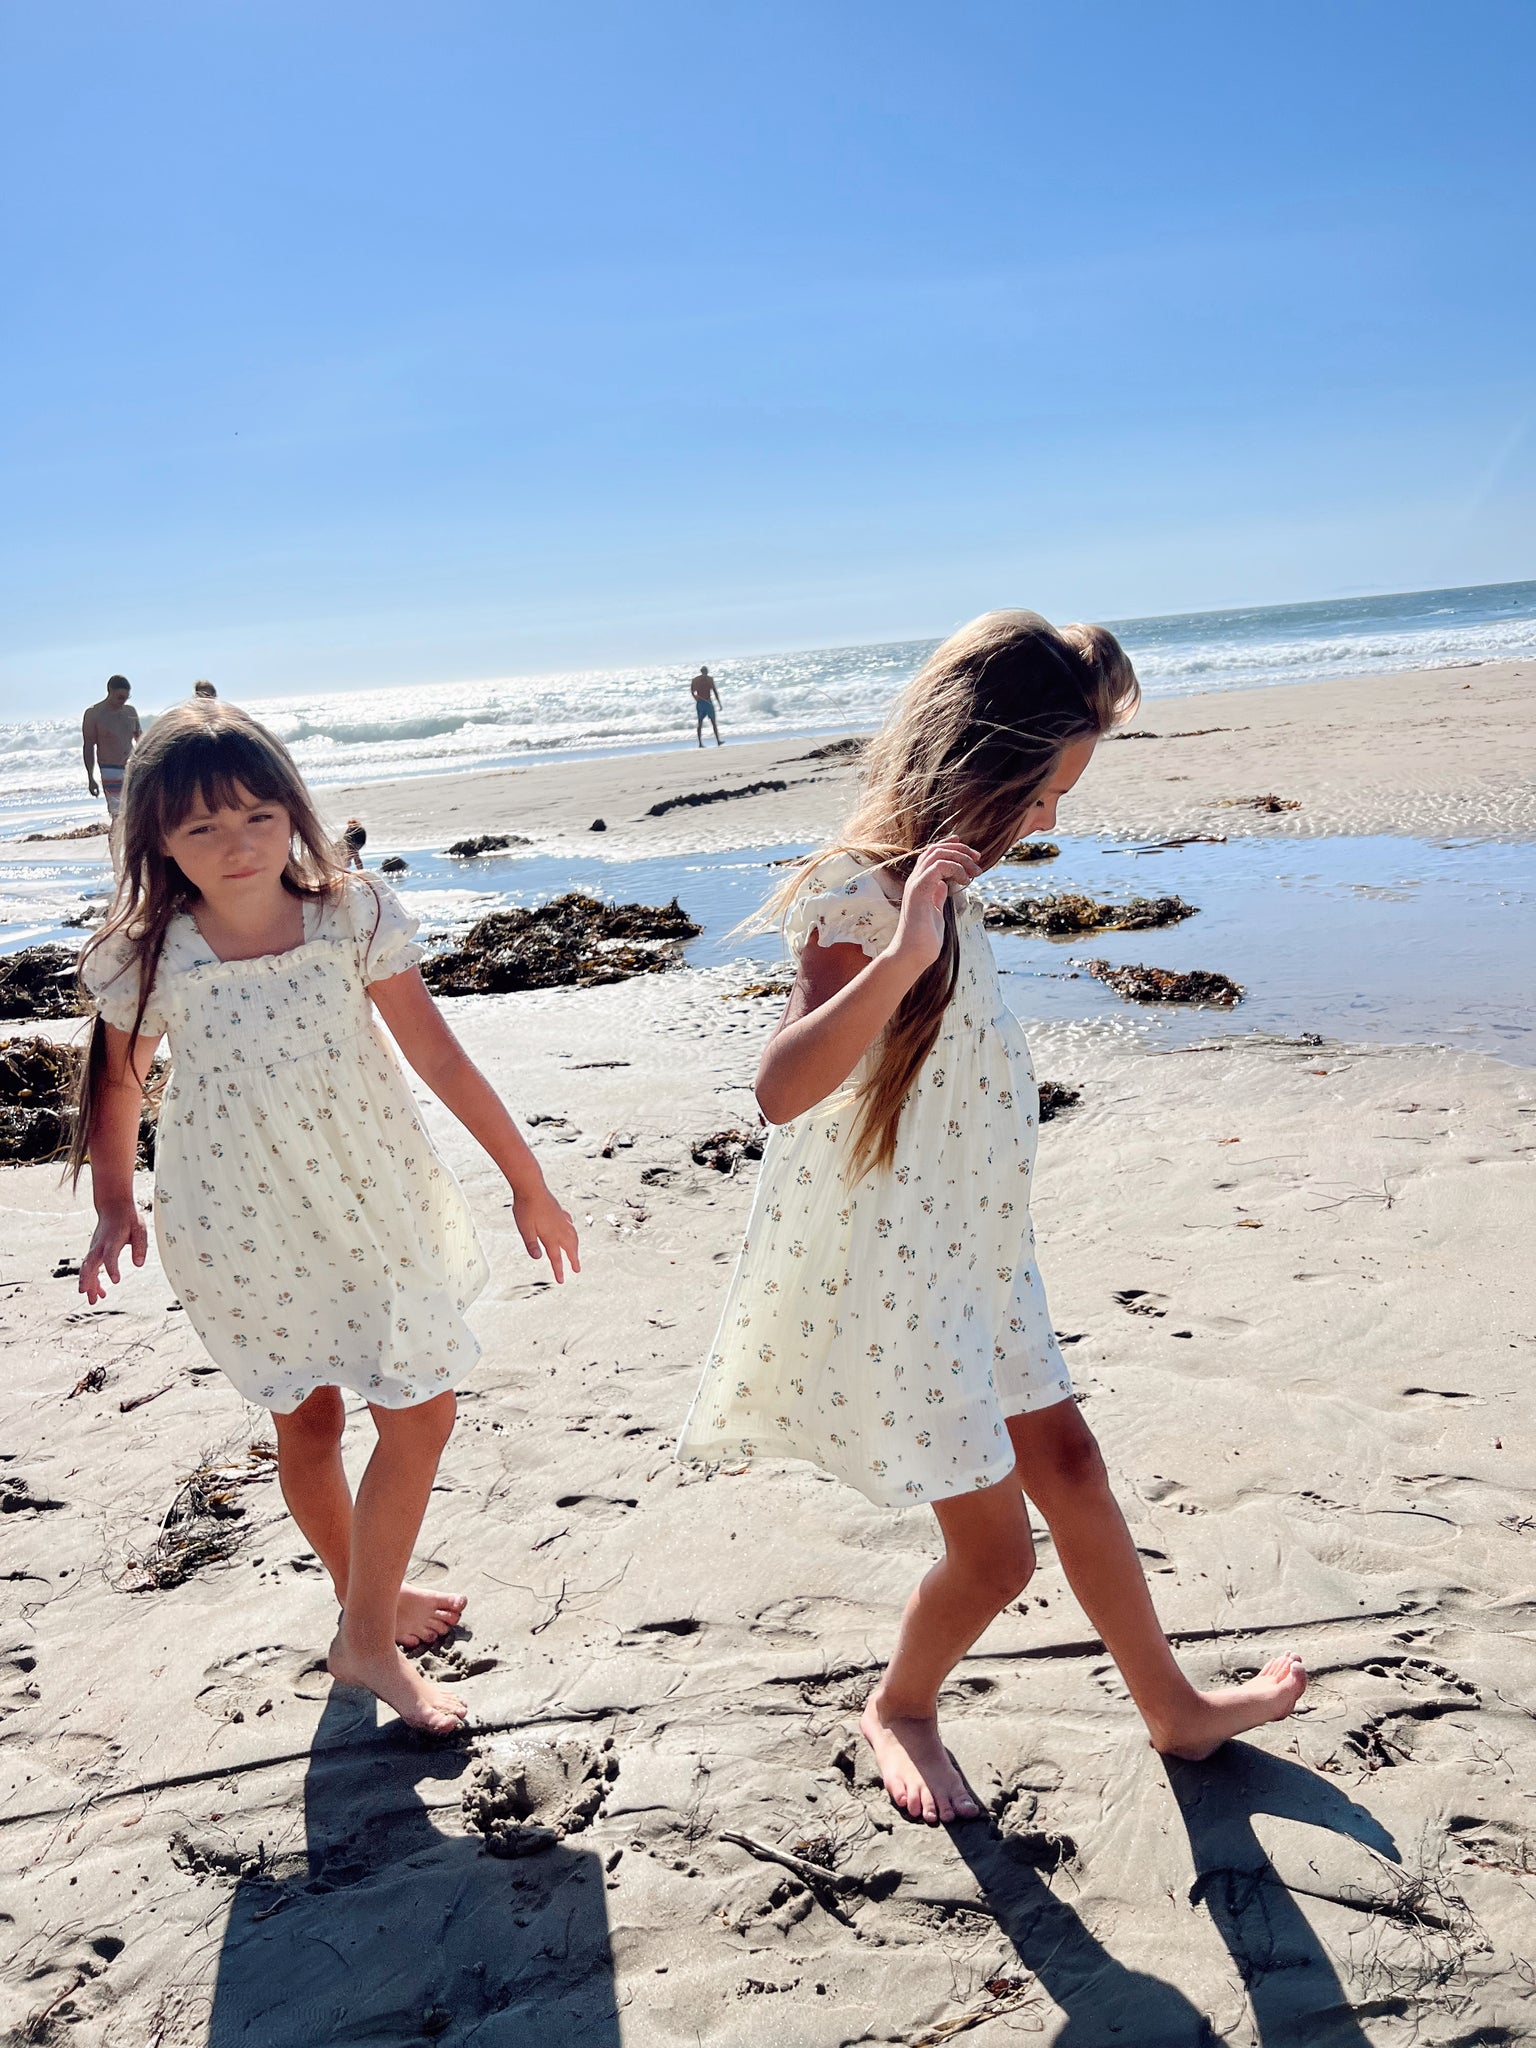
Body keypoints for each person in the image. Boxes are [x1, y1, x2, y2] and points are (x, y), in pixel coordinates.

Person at [678, 610, 1307, 1823]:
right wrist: (904, 952)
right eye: (1043, 790)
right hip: (905, 1283)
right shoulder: (864, 895)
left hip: (980, 1262)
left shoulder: (953, 890)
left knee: (1071, 1464)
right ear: (979, 758)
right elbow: (781, 1088)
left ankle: (1172, 1704)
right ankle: (900, 1703)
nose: (1049, 818)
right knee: (998, 1554)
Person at [70, 700, 581, 1733]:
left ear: (293, 810)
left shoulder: (352, 915)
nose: (238, 844)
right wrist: (115, 1204)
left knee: (421, 1410)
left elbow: (440, 1056)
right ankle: (368, 1616)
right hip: (239, 1219)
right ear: (158, 838)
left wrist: (527, 1177)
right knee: (308, 1420)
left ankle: (364, 1628)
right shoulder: (150, 954)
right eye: (203, 826)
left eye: (258, 816)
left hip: (370, 1201)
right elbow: (116, 1085)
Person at [82, 674, 142, 818]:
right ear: (110, 691)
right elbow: (88, 747)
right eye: (120, 697)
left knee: (136, 813)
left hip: (131, 767)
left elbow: (141, 740)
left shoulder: (130, 712)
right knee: (118, 815)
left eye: (126, 698)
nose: (123, 701)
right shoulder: (94, 714)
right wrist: (91, 778)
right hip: (110, 769)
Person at [690, 665, 722, 746]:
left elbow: (692, 692)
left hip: (701, 702)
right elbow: (715, 691)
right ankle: (717, 741)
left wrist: (696, 698)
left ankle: (701, 743)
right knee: (712, 722)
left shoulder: (695, 680)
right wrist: (719, 703)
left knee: (701, 723)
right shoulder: (709, 679)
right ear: (706, 671)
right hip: (707, 702)